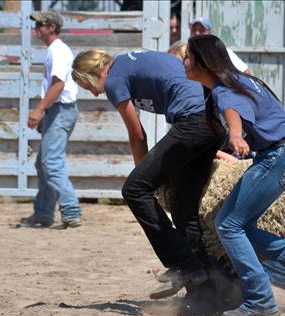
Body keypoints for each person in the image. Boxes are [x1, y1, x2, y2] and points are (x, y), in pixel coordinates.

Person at [184, 35, 285, 316]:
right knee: (239, 226)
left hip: (279, 156)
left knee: (228, 226)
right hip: (284, 154)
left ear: (203, 62)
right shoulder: (239, 81)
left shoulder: (224, 89)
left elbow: (233, 110)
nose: (184, 61)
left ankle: (260, 300)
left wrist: (236, 134)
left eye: (188, 57)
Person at [72, 49, 223, 300]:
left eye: (86, 85)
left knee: (133, 189)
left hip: (193, 121)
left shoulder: (113, 80)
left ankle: (184, 266)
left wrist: (143, 177)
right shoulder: (130, 62)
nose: (92, 92)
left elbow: (137, 134)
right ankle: (207, 293)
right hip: (213, 120)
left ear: (94, 72)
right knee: (183, 208)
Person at [19, 10, 82, 229]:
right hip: (59, 110)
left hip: (61, 109)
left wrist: (39, 110)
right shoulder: (55, 50)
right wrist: (46, 113)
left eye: (40, 24)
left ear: (52, 27)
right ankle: (44, 213)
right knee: (44, 162)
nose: (36, 28)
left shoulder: (58, 51)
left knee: (50, 162)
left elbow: (58, 85)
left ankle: (71, 210)